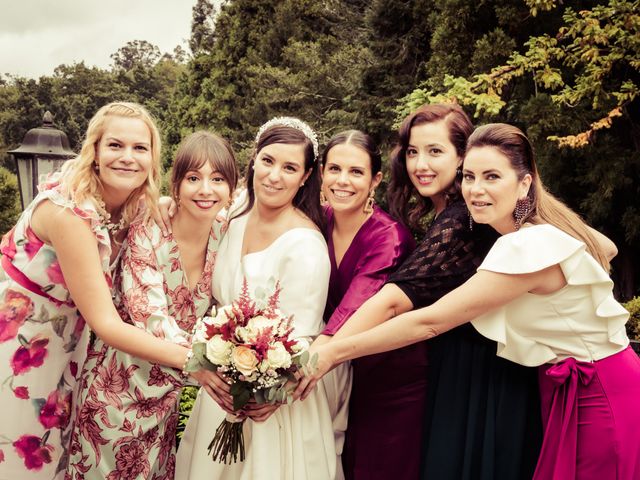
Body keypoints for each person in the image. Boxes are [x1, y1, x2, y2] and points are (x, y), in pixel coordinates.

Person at [299, 123, 638, 480]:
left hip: (598, 392)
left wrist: (333, 353)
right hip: (572, 387)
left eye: (492, 177)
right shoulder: (536, 232)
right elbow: (606, 247)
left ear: (524, 184)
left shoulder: (527, 245)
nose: (476, 190)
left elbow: (428, 321)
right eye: (470, 177)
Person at [310, 103, 542, 479]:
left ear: (462, 155)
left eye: (435, 152)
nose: (421, 164)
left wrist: (322, 356)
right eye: (413, 152)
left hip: (477, 374)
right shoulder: (443, 213)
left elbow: (391, 301)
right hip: (452, 366)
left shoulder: (462, 219)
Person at [0, 102, 215, 479]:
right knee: (26, 458)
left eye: (140, 148)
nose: (127, 157)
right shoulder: (68, 211)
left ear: (153, 158)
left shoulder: (134, 207)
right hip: (23, 346)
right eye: (115, 146)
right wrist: (198, 364)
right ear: (94, 152)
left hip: (73, 352)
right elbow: (106, 323)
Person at [65, 131, 238, 479]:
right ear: (175, 185)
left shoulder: (228, 234)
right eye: (193, 178)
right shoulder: (149, 228)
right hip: (117, 392)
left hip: (169, 402)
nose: (206, 190)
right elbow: (150, 316)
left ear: (231, 188)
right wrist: (209, 363)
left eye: (217, 179)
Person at [176, 117, 337, 479]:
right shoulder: (232, 214)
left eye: (290, 167)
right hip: (220, 388)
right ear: (254, 160)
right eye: (268, 161)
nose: (274, 176)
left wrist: (274, 393)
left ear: (307, 176)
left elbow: (305, 339)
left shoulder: (305, 244)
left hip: (273, 404)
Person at [315, 130, 417, 479]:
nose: (343, 181)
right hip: (335, 369)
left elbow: (355, 306)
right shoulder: (317, 221)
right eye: (334, 169)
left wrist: (302, 364)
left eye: (356, 172)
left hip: (387, 379)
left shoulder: (389, 236)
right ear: (321, 173)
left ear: (375, 179)